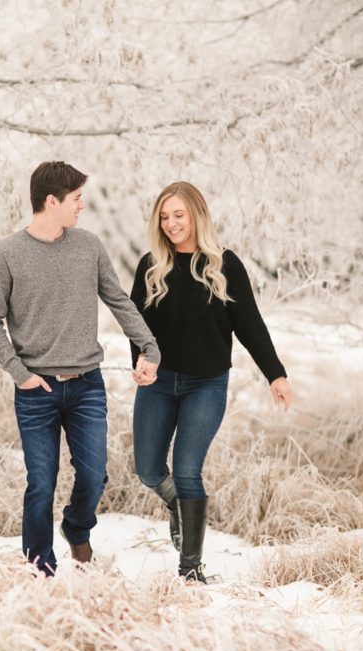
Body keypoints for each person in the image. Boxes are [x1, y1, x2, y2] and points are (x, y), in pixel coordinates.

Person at [0, 161, 160, 577]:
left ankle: (77, 528)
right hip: (35, 390)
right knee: (41, 483)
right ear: (51, 201)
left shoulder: (88, 246)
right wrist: (19, 373)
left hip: (86, 385)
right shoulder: (7, 254)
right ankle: (41, 568)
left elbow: (118, 300)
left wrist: (149, 347)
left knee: (95, 475)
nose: (82, 206)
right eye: (76, 199)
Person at [129, 181, 294, 583]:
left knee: (187, 470)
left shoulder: (224, 266)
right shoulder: (151, 265)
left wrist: (275, 374)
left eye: (178, 215)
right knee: (148, 469)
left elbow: (250, 326)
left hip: (206, 385)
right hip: (160, 383)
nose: (170, 224)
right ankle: (176, 506)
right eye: (164, 217)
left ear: (197, 215)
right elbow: (134, 324)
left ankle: (190, 571)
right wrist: (141, 360)